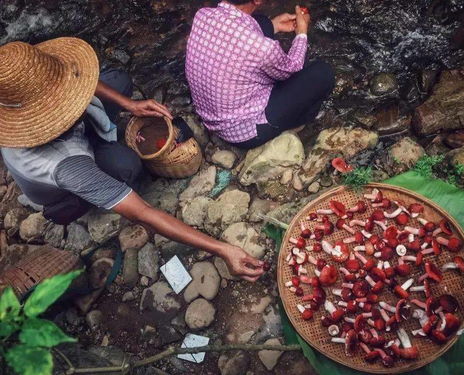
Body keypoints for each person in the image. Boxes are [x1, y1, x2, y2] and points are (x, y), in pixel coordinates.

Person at [0, 38, 264, 282]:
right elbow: (145, 214)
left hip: (72, 134)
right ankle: (102, 177)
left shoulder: (16, 89)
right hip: (65, 187)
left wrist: (130, 105)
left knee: (118, 79)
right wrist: (222, 249)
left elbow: (80, 80)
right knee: (128, 166)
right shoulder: (68, 168)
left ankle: (108, 130)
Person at [185, 0, 335, 149]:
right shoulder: (262, 47)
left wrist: (274, 25)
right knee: (322, 73)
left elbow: (249, 36)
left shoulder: (202, 15)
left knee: (262, 22)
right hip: (243, 132)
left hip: (211, 115)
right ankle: (302, 119)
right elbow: (292, 68)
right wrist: (302, 33)